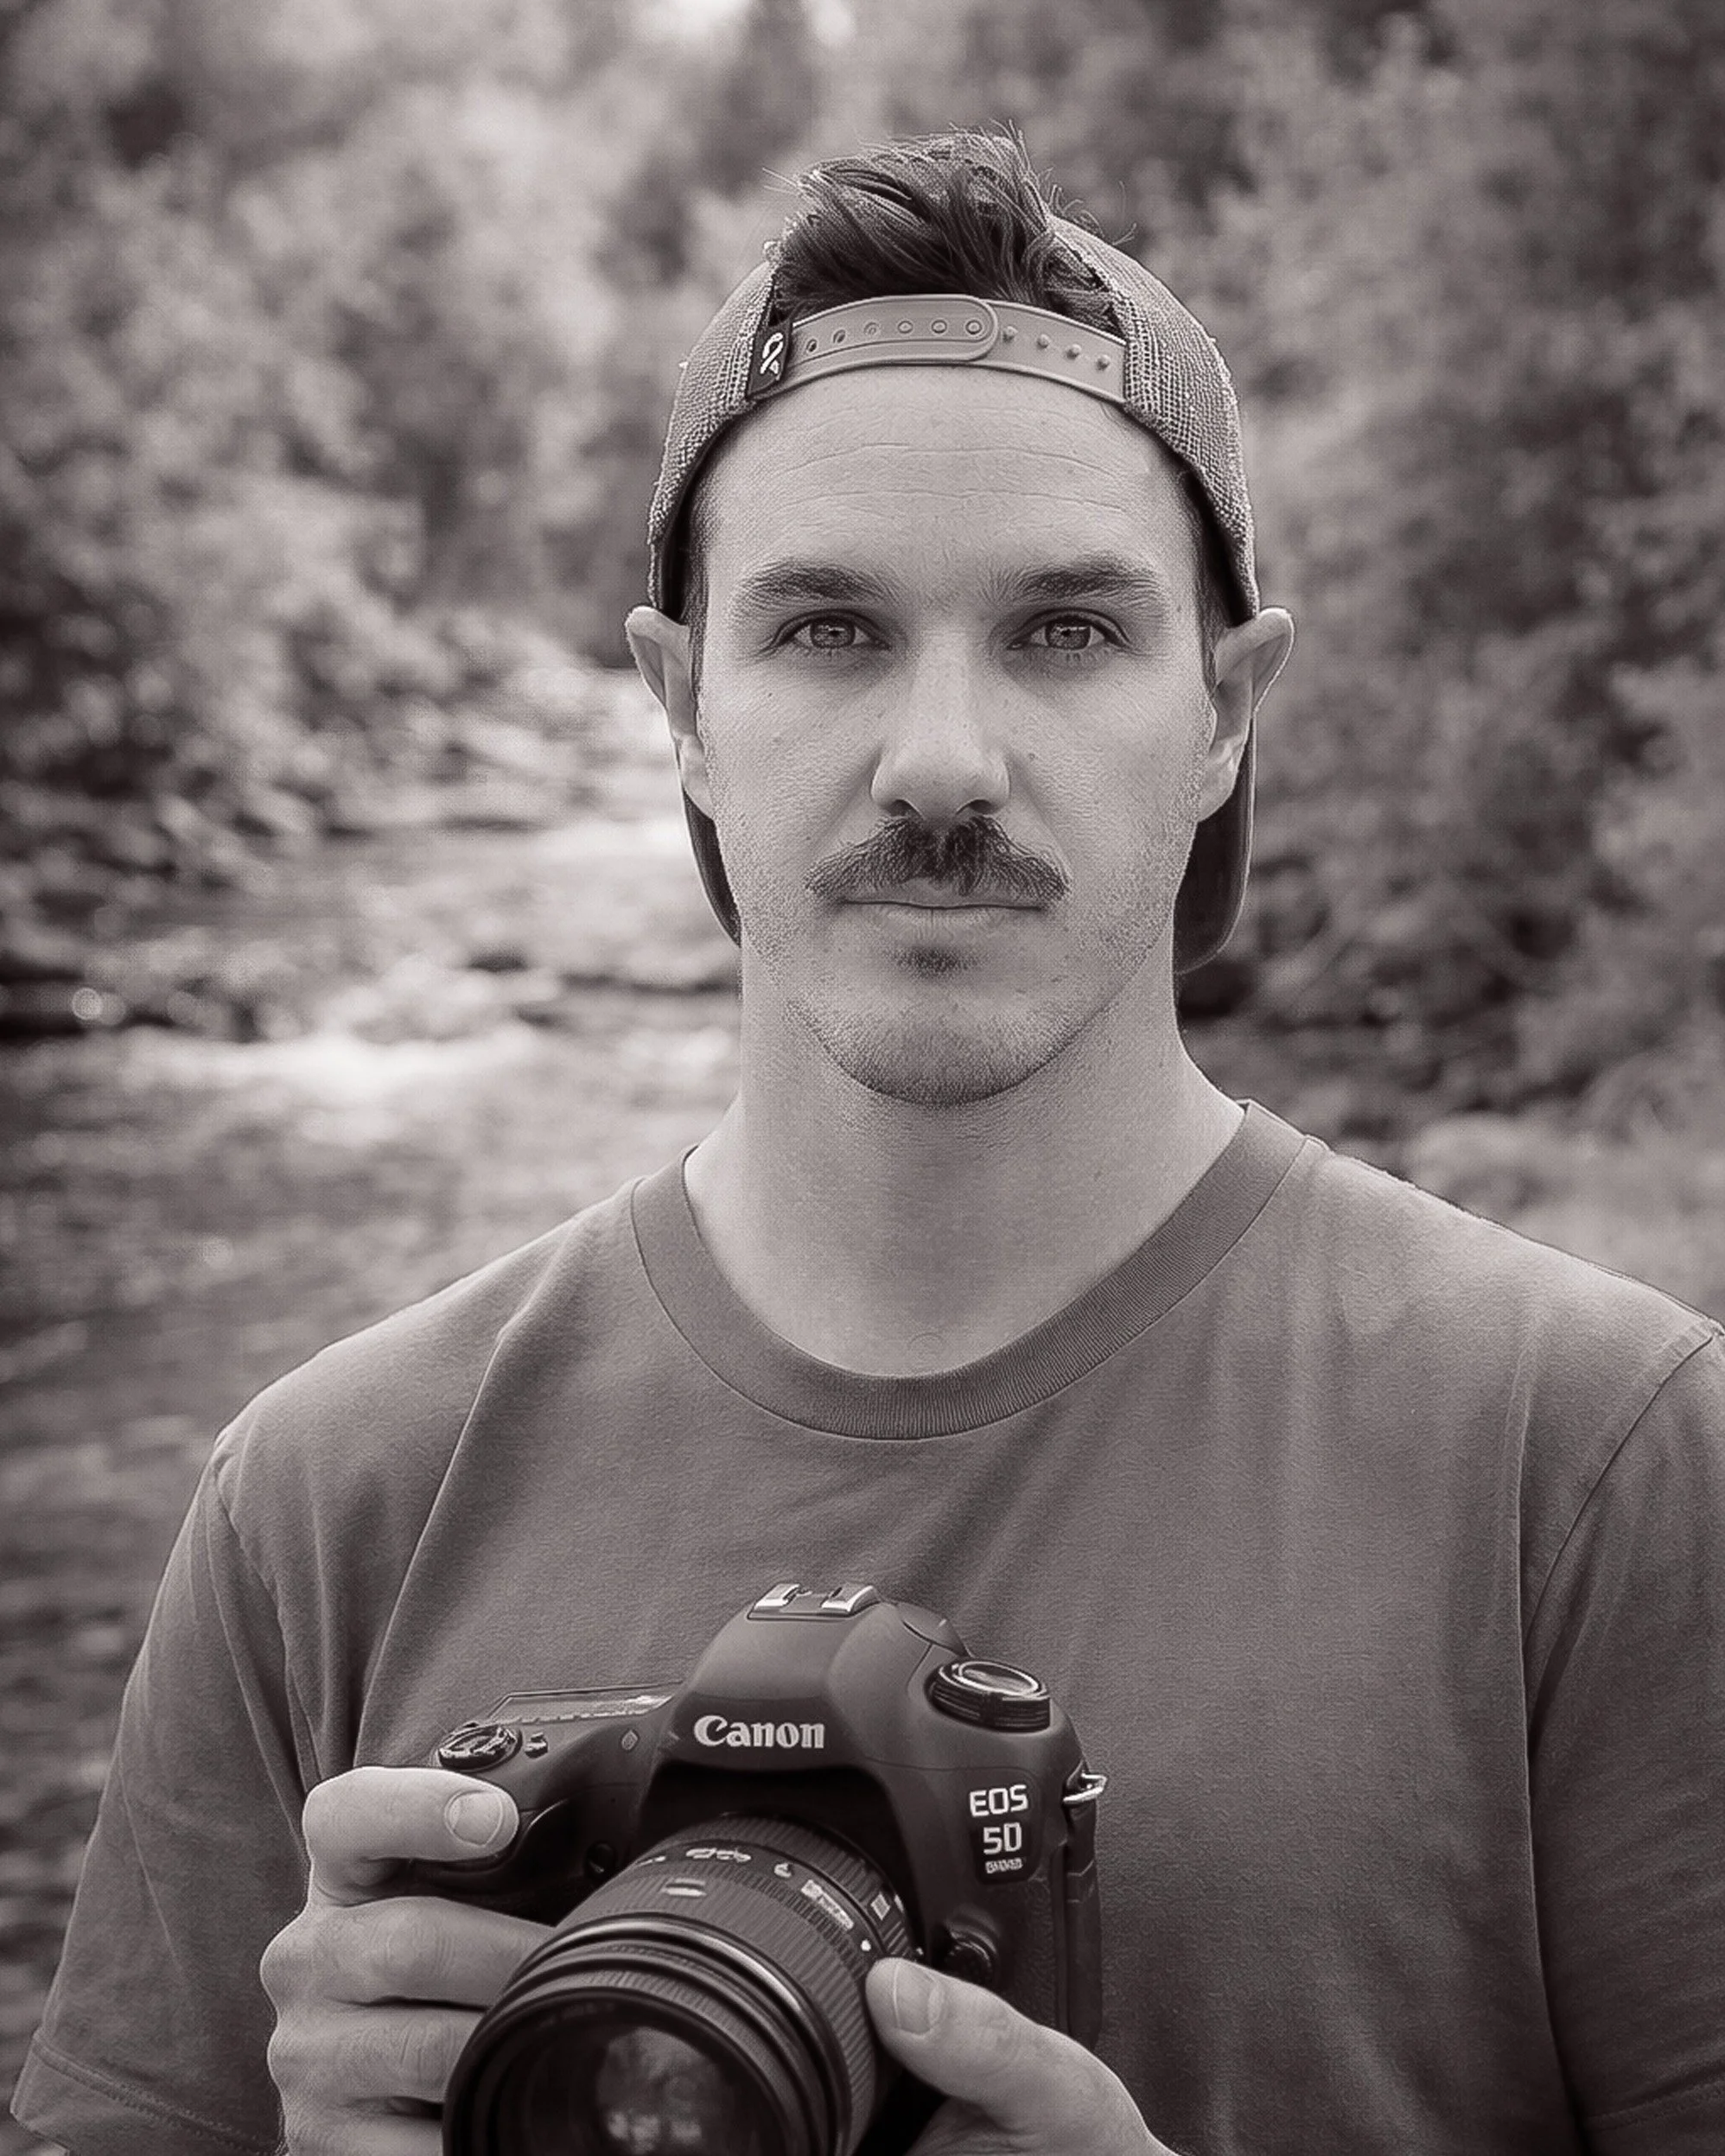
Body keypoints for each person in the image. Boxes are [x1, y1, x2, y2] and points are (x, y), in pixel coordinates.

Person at [12, 128, 1725, 2156]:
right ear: (678, 703)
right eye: (825, 628)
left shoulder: (1596, 1462)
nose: (939, 761)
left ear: (1224, 709)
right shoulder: (324, 1498)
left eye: (1065, 631)